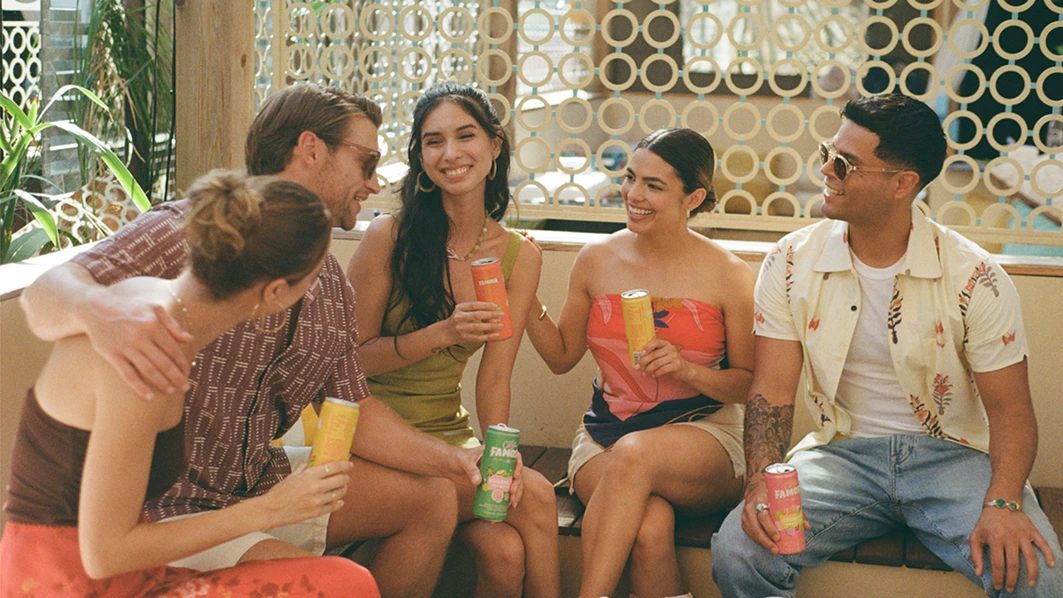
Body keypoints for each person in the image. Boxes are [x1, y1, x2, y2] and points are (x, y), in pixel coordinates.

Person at [19, 83, 486, 598]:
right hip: (168, 512)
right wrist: (99, 311)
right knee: (343, 586)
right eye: (366, 161)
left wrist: (454, 460)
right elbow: (43, 293)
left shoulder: (327, 282)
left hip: (257, 478)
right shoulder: (191, 239)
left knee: (435, 498)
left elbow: (353, 407)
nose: (375, 182)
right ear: (311, 149)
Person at [711, 93, 1063, 597]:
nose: (826, 169)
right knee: (738, 553)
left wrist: (1003, 502)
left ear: (903, 184)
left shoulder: (974, 275)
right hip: (841, 456)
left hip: (954, 460)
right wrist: (760, 483)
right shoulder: (790, 261)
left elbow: (1011, 412)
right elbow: (771, 390)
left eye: (846, 163)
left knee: (1042, 580)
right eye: (828, 152)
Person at [0, 171, 379, 596]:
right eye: (316, 279)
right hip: (62, 582)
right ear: (276, 293)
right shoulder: (147, 350)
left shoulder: (158, 307)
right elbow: (102, 552)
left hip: (122, 574)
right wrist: (269, 510)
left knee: (346, 582)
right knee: (344, 587)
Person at [347, 82, 560, 598]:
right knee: (537, 496)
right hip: (372, 434)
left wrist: (499, 451)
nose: (450, 154)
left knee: (506, 553)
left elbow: (494, 379)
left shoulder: (519, 256)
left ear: (495, 145)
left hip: (450, 431)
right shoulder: (388, 237)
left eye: (465, 136)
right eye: (433, 141)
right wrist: (441, 333)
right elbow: (348, 362)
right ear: (420, 158)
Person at [524, 128, 755, 598]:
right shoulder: (596, 259)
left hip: (705, 436)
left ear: (693, 197)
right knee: (650, 528)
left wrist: (688, 370)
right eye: (630, 178)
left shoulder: (728, 274)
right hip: (604, 435)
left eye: (654, 185)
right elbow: (561, 357)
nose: (632, 194)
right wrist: (522, 291)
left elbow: (749, 384)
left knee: (636, 454)